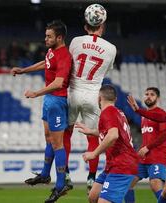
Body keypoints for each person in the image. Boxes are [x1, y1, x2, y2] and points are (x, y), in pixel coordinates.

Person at [11, 20, 72, 203]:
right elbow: (44, 64)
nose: (45, 39)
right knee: (48, 138)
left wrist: (36, 93)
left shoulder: (64, 56)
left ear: (59, 38)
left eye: (49, 36)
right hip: (49, 101)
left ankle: (60, 185)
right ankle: (45, 175)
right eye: (45, 35)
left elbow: (59, 83)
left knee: (58, 144)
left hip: (57, 101)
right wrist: (24, 70)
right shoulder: (52, 51)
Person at [64, 3, 117, 193]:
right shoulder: (111, 48)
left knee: (66, 133)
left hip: (73, 91)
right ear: (102, 26)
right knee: (92, 137)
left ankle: (65, 174)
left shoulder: (76, 41)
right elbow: (106, 70)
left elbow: (67, 65)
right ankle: (91, 178)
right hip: (94, 94)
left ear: (86, 26)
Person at [76, 85, 139, 203]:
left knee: (103, 201)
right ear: (115, 99)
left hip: (122, 165)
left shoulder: (108, 112)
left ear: (99, 98)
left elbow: (113, 135)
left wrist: (94, 154)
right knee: (93, 196)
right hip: (113, 164)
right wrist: (91, 131)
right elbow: (111, 132)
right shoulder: (118, 112)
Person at [124, 87, 166, 202]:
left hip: (157, 157)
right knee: (126, 183)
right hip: (144, 158)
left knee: (155, 184)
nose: (148, 96)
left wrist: (148, 147)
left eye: (152, 94)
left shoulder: (161, 114)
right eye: (146, 94)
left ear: (158, 98)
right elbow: (148, 138)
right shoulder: (144, 116)